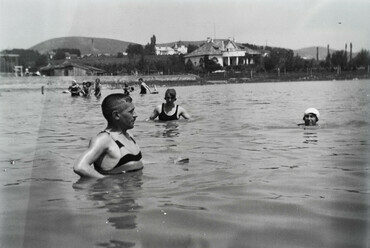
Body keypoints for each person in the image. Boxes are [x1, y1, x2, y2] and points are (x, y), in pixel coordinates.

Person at [73, 93, 143, 178]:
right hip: (116, 191)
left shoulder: (129, 135)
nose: (135, 115)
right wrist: (106, 181)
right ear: (116, 115)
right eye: (131, 112)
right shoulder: (104, 139)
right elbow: (80, 167)